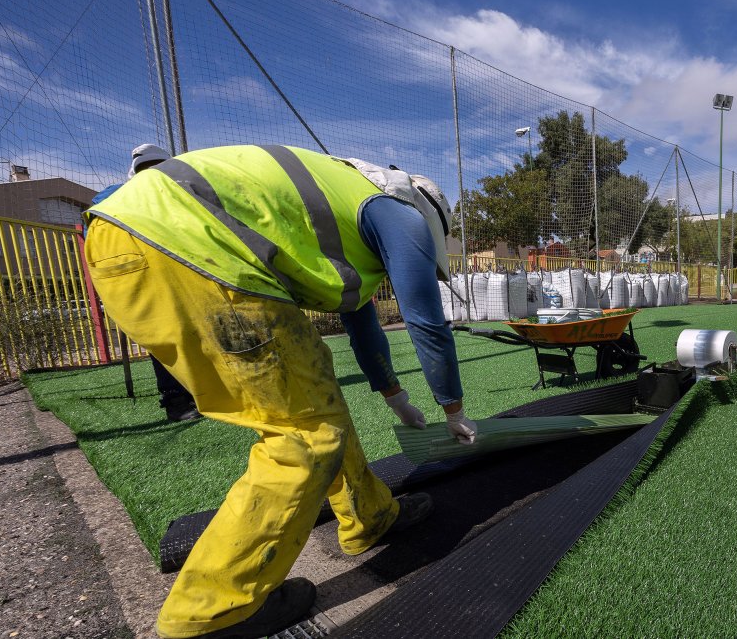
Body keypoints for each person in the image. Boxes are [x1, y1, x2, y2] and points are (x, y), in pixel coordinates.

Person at [83, 144, 475, 638]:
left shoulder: (346, 205)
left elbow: (363, 327)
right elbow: (426, 321)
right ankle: (210, 610)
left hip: (120, 245)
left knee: (314, 394)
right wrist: (453, 410)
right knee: (305, 432)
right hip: (193, 246)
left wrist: (396, 398)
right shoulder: (399, 213)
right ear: (428, 215)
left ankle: (369, 516)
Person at [92, 144, 201, 422]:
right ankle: (176, 398)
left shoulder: (180, 195)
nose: (152, 173)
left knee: (194, 334)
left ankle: (196, 393)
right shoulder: (116, 197)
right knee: (164, 337)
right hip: (146, 278)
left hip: (179, 274)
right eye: (146, 169)